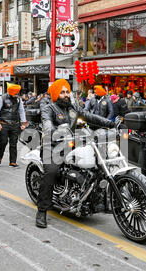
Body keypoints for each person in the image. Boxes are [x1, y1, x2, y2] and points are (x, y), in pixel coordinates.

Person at [36, 79, 116, 228]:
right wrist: (54, 131)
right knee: (51, 173)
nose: (66, 95)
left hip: (72, 144)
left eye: (67, 92)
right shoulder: (49, 108)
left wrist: (110, 123)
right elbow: (47, 125)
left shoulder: (73, 108)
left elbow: (90, 116)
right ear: (55, 94)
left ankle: (99, 201)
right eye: (62, 92)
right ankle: (41, 211)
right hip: (52, 146)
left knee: (98, 163)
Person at [0, 83, 27, 167]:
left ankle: (12, 161)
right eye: (15, 93)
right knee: (3, 142)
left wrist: (23, 123)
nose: (17, 95)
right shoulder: (1, 98)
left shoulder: (19, 100)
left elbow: (21, 111)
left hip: (15, 124)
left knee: (13, 143)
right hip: (4, 124)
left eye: (17, 93)